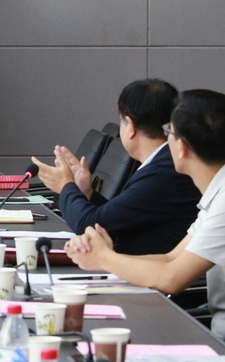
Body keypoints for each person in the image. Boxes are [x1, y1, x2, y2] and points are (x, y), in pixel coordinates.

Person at [65, 89, 225, 338]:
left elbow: (172, 278)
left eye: (169, 131)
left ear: (182, 147)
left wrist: (104, 258)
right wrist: (106, 255)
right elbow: (170, 259)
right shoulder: (217, 193)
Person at [32, 79, 199, 254]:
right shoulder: (164, 162)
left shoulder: (163, 172)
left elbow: (89, 225)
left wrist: (66, 186)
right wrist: (86, 192)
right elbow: (119, 216)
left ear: (130, 126)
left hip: (146, 268)